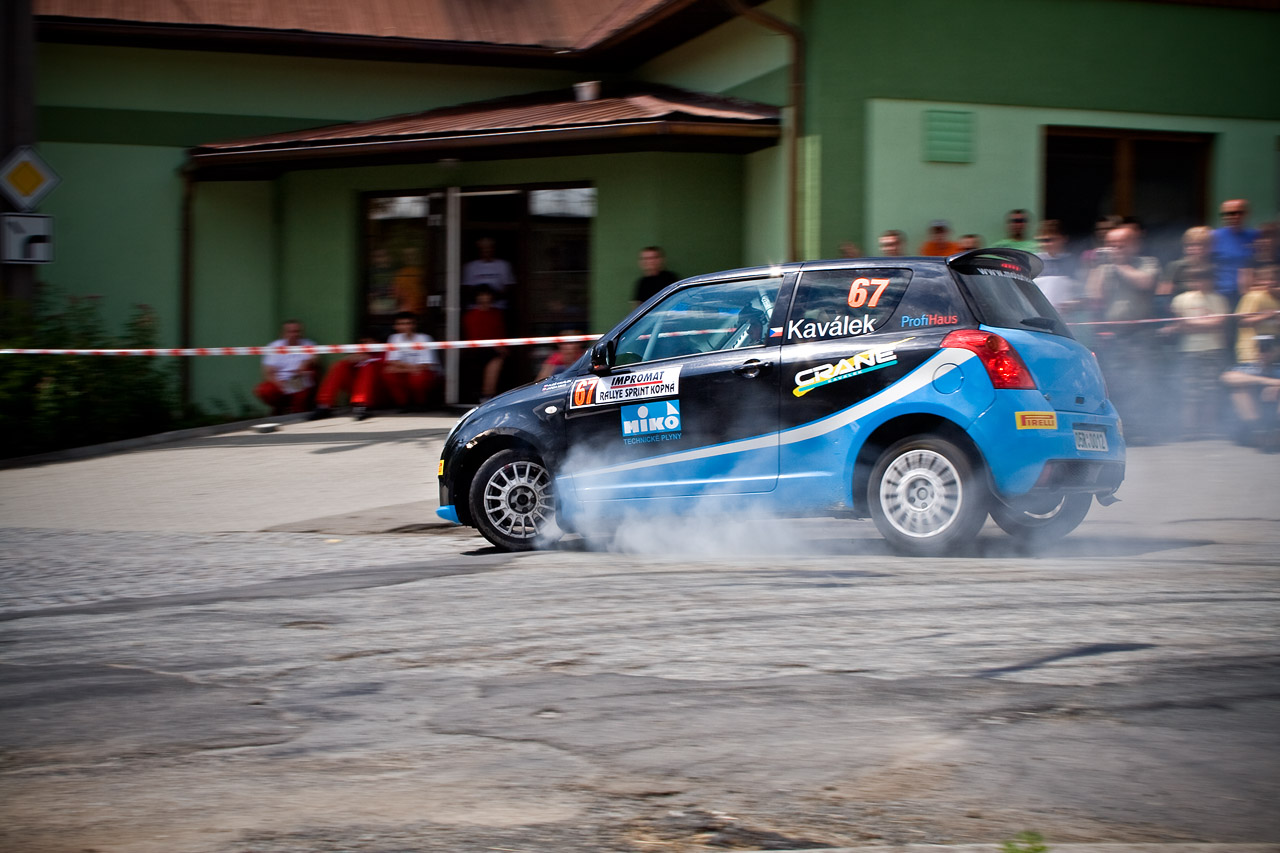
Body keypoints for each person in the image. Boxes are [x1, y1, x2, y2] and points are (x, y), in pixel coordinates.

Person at [1222, 264, 1280, 449]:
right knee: (1239, 386)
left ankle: (1274, 431)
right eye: (1268, 280)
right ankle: (1257, 431)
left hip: (1275, 358)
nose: (1272, 283)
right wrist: (1270, 382)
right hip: (1250, 355)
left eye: (1275, 280)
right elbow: (1242, 320)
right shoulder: (1254, 297)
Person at [1169, 265, 1230, 438]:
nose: (1200, 283)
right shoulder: (1181, 299)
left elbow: (1219, 323)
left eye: (1204, 279)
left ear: (1212, 281)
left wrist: (1192, 324)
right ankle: (1189, 428)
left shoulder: (1219, 299)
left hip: (1213, 348)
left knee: (1211, 390)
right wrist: (1204, 323)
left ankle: (1208, 428)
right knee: (1189, 390)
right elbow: (1180, 324)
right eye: (1196, 279)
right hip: (1189, 350)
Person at [309, 333, 385, 421]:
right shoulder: (360, 353)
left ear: (377, 342)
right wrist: (350, 359)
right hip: (358, 393)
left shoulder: (384, 353)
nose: (366, 344)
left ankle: (362, 406)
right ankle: (324, 405)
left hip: (379, 393)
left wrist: (367, 359)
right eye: (364, 342)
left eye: (369, 341)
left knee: (368, 367)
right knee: (340, 365)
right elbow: (347, 364)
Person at [254, 320, 319, 415]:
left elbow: (316, 359)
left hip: (299, 380)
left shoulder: (308, 344)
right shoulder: (274, 346)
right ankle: (279, 408)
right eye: (290, 331)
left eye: (297, 331)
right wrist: (279, 384)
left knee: (300, 385)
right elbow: (268, 372)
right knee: (264, 389)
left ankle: (297, 413)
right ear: (283, 333)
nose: (294, 334)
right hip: (279, 381)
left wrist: (306, 362)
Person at [382, 311, 440, 411]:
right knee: (389, 374)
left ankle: (421, 404)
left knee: (418, 378)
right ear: (396, 326)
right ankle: (402, 405)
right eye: (401, 324)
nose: (406, 327)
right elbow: (392, 362)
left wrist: (403, 369)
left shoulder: (424, 338)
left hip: (424, 372)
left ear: (415, 325)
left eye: (408, 323)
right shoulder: (394, 338)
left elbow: (427, 364)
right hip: (411, 370)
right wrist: (412, 369)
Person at [461, 285, 508, 401]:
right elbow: (472, 334)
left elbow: (500, 332)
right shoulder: (470, 316)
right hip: (475, 349)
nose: (485, 299)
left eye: (487, 296)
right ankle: (481, 396)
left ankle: (488, 396)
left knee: (496, 362)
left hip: (494, 349)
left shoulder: (497, 314)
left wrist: (501, 348)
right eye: (482, 296)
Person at [1211, 198, 1257, 299]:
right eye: (1230, 213)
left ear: (1247, 214)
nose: (1236, 216)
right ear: (1223, 216)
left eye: (1240, 213)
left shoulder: (1256, 236)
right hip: (1221, 293)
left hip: (1248, 292)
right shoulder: (1213, 237)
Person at [1033, 220, 1081, 316]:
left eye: (1050, 240)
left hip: (1065, 320)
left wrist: (1073, 304)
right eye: (1042, 240)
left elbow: (1083, 294)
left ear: (1064, 239)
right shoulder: (1034, 261)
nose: (1045, 244)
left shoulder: (1073, 262)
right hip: (1038, 316)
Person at [462, 236, 515, 309]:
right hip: (476, 309)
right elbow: (467, 290)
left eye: (489, 247)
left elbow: (509, 288)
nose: (486, 250)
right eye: (483, 248)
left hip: (498, 307)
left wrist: (493, 295)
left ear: (493, 248)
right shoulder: (470, 266)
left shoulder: (504, 265)